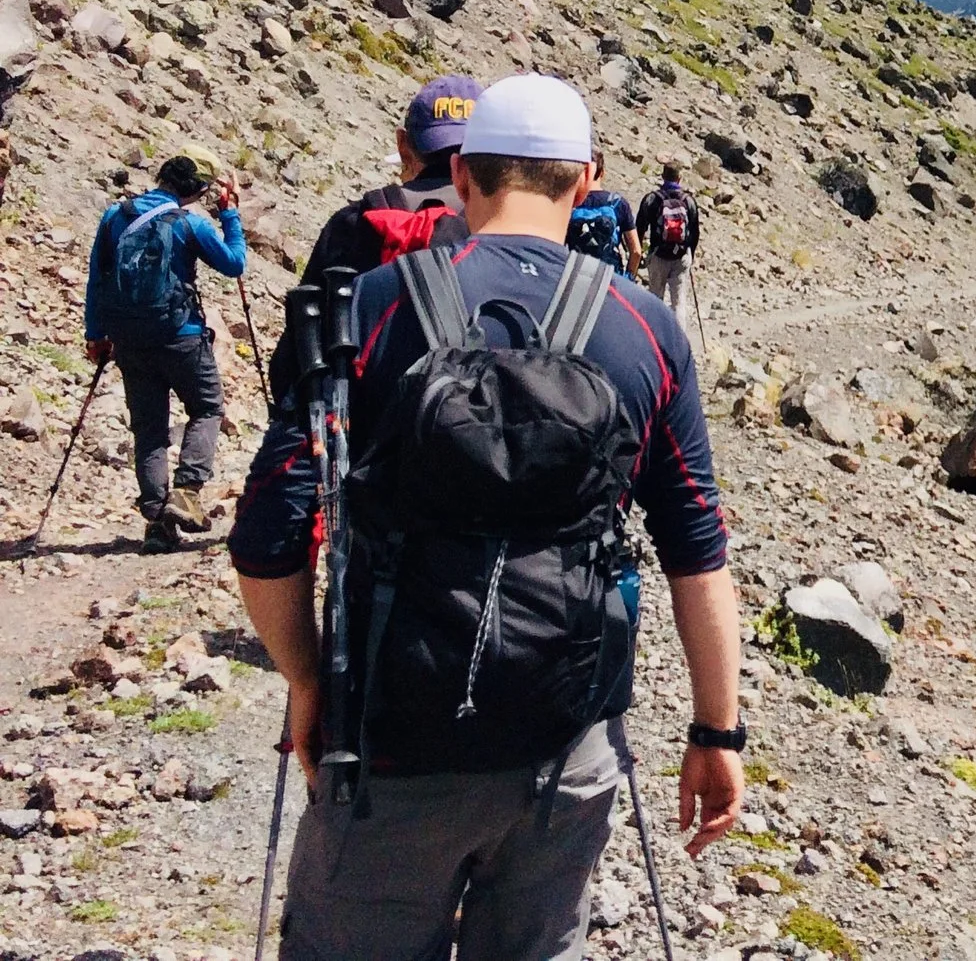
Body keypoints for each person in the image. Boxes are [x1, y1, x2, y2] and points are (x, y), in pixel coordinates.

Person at [230, 73, 743, 960]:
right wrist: (715, 729)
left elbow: (269, 531)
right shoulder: (645, 328)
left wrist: (310, 683)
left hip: (391, 740)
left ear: (462, 173)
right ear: (589, 180)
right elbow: (697, 550)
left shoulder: (373, 305)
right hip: (565, 742)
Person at [279, 75, 482, 406]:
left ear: (403, 145)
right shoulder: (494, 229)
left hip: (358, 419)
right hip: (462, 421)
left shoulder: (353, 223)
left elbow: (296, 349)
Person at [85, 151, 247, 550]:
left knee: (149, 429)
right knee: (207, 407)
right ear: (197, 190)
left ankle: (157, 523)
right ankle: (187, 491)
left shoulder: (115, 216)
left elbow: (97, 278)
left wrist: (96, 334)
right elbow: (234, 264)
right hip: (181, 335)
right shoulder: (190, 223)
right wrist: (229, 214)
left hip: (129, 339)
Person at [636, 163, 701, 314]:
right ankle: (678, 330)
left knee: (655, 299)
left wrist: (638, 254)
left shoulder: (652, 199)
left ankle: (654, 329)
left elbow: (640, 227)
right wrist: (690, 255)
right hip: (681, 256)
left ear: (663, 176)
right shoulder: (688, 201)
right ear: (679, 178)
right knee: (678, 302)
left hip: (658, 254)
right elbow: (695, 232)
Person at [566, 152, 641, 274]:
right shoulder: (618, 203)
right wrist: (629, 277)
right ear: (602, 173)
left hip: (575, 272)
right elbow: (636, 251)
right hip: (608, 275)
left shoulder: (570, 202)